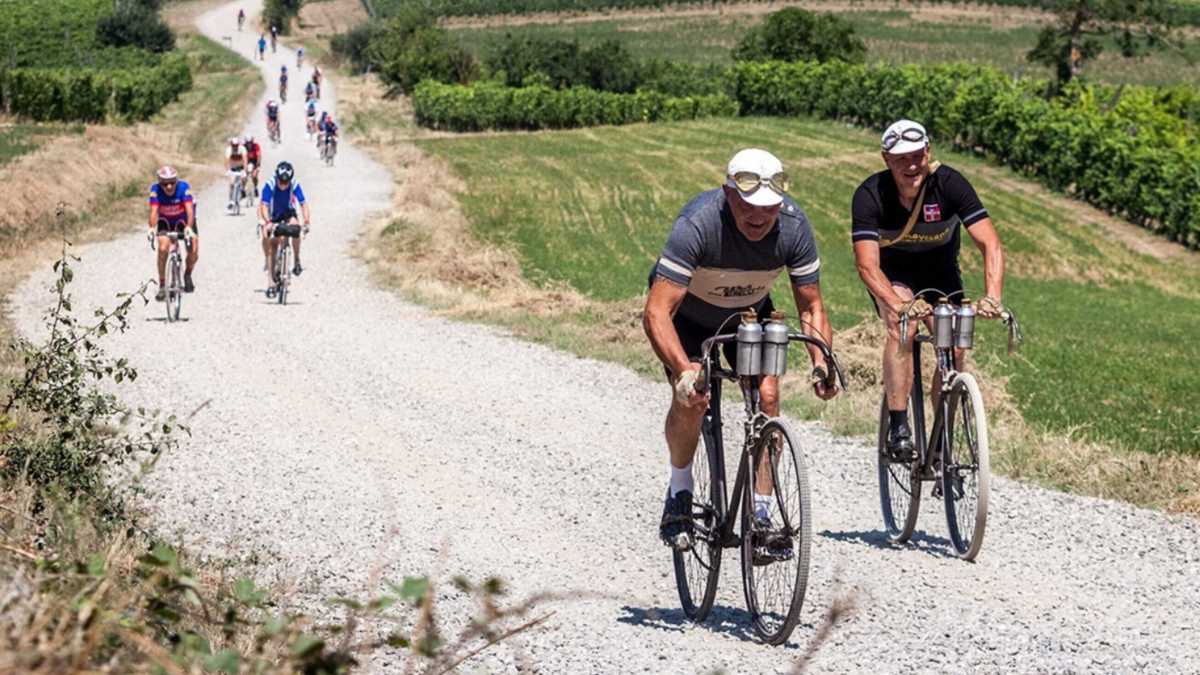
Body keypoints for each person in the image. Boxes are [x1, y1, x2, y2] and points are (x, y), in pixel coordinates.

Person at [643, 148, 838, 551]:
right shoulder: (698, 224)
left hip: (748, 316)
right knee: (694, 399)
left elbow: (812, 306)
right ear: (728, 193)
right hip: (690, 320)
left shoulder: (793, 226)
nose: (759, 217)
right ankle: (680, 492)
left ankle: (762, 513)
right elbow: (657, 312)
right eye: (749, 206)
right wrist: (683, 370)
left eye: (769, 209)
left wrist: (822, 361)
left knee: (768, 398)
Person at [850, 119, 1006, 460]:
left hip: (940, 274)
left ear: (928, 152)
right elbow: (867, 265)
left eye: (918, 156)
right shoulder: (869, 195)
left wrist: (993, 295)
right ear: (886, 159)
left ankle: (941, 439)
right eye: (902, 158)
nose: (911, 165)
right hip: (893, 275)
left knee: (954, 345)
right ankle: (899, 425)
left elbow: (990, 243)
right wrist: (897, 304)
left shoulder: (950, 184)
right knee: (901, 326)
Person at [258, 161, 311, 295]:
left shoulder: (294, 184)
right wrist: (267, 221)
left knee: (296, 229)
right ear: (277, 178)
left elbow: (303, 204)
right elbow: (263, 205)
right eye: (281, 182)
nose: (283, 185)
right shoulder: (270, 185)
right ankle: (270, 280)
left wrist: (306, 221)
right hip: (272, 214)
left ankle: (297, 260)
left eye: (286, 183)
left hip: (288, 212)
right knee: (270, 242)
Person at [147, 166, 198, 299]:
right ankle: (163, 285)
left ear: (177, 181)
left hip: (184, 221)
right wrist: (152, 228)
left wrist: (188, 227)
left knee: (193, 251)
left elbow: (190, 210)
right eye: (165, 183)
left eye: (172, 182)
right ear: (160, 183)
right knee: (163, 248)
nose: (169, 186)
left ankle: (187, 274)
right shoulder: (155, 190)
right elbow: (153, 211)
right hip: (166, 221)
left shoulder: (183, 188)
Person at [225, 136, 248, 210]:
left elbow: (245, 160)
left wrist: (245, 170)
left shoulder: (242, 149)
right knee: (231, 184)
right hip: (233, 169)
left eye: (236, 145)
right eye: (233, 146)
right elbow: (227, 161)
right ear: (231, 145)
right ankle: (231, 201)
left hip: (241, 168)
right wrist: (228, 170)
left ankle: (243, 190)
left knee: (244, 179)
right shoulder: (229, 150)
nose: (235, 147)